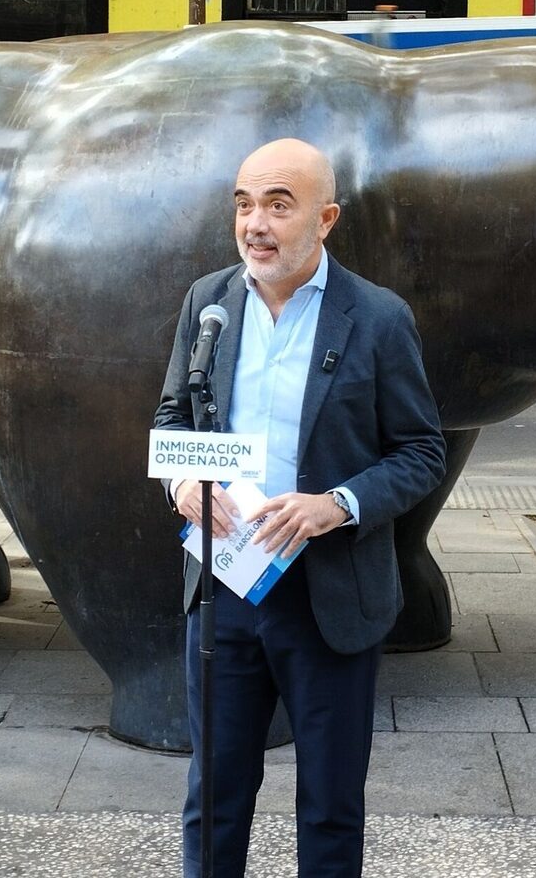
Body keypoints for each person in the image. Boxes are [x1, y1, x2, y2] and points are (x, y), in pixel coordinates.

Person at [154, 138, 446, 878]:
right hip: (224, 590)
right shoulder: (209, 303)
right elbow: (173, 418)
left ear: (326, 219)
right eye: (244, 204)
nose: (255, 224)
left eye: (278, 205)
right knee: (214, 796)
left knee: (330, 803)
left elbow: (421, 452)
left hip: (331, 595)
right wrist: (182, 484)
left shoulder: (377, 318)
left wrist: (336, 506)